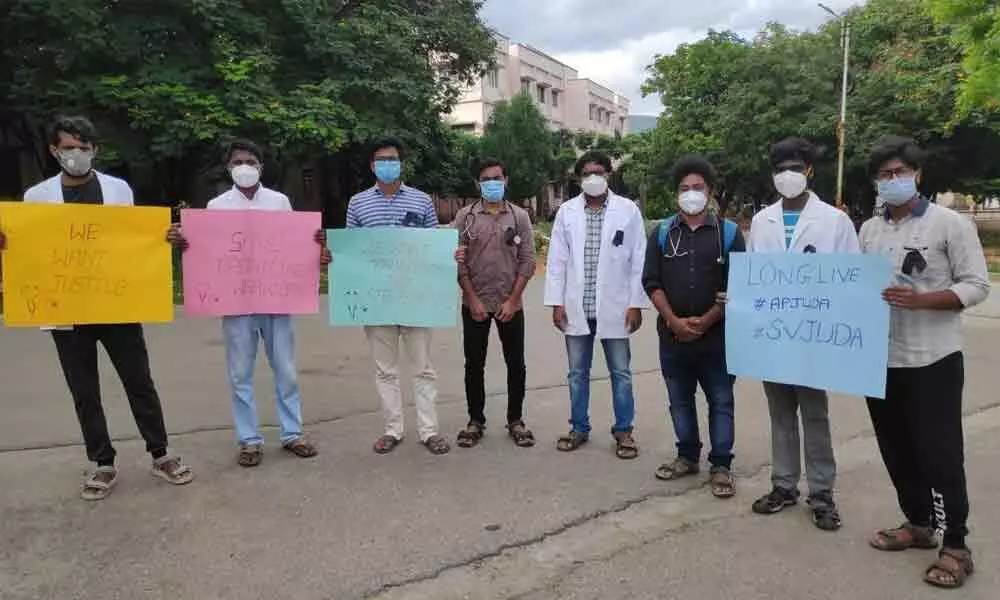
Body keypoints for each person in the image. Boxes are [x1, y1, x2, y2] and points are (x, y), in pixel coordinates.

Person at [1, 116, 194, 500]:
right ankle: (102, 462)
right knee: (83, 388)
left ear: (95, 150)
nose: (76, 154)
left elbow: (134, 241)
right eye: (68, 147)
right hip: (66, 307)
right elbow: (31, 249)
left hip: (116, 302)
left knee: (138, 380)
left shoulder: (118, 190)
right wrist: (10, 244)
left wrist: (164, 237)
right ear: (54, 150)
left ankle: (161, 453)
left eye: (83, 147)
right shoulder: (37, 198)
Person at [859, 136, 989, 589]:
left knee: (939, 453)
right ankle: (917, 524)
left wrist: (924, 300)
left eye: (900, 172)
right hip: (881, 359)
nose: (892, 180)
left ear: (918, 175)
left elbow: (976, 285)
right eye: (884, 174)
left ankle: (956, 543)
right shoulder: (869, 231)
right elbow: (855, 288)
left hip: (933, 359)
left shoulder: (949, 224)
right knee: (895, 448)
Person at [167, 139, 330, 467]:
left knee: (285, 369)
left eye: (251, 161)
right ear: (229, 168)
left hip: (276, 299)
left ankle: (292, 433)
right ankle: (249, 439)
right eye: (238, 161)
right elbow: (204, 251)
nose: (245, 167)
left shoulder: (279, 202)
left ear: (261, 167)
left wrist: (314, 243)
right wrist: (184, 241)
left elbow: (294, 245)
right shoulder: (216, 207)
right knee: (240, 373)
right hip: (236, 302)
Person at [747, 137, 859, 530]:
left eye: (795, 168)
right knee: (780, 413)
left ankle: (822, 493)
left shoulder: (835, 221)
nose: (788, 175)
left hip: (814, 335)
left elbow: (851, 280)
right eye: (780, 169)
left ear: (809, 170)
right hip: (775, 336)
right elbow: (755, 281)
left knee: (814, 414)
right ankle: (784, 484)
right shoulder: (762, 222)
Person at [643, 156, 745, 498]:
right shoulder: (661, 234)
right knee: (679, 401)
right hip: (672, 337)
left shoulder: (728, 234)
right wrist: (673, 320)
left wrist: (708, 319)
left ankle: (721, 465)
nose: (691, 194)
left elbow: (738, 286)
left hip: (717, 339)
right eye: (684, 188)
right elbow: (651, 282)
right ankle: (687, 456)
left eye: (697, 187)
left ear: (710, 192)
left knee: (721, 400)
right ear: (676, 195)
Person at [344, 136, 451, 455]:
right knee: (385, 370)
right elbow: (352, 251)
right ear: (372, 165)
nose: (387, 164)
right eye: (381, 159)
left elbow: (433, 246)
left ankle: (429, 431)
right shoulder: (358, 203)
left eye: (393, 159)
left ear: (401, 164)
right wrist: (335, 258)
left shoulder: (421, 201)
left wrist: (449, 257)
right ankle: (392, 429)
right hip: (377, 299)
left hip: (416, 296)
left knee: (423, 368)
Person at [544, 151, 647, 459]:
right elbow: (557, 261)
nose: (593, 178)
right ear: (579, 178)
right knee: (577, 373)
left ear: (609, 174)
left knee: (621, 372)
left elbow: (638, 260)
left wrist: (635, 304)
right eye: (587, 173)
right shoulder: (566, 212)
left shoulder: (627, 211)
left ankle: (624, 430)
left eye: (598, 172)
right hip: (577, 307)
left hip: (615, 307)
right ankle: (579, 427)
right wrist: (556, 301)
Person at [453, 159, 537, 448]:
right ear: (478, 184)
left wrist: (513, 300)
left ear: (506, 180)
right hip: (474, 303)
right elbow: (458, 262)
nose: (492, 183)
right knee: (474, 365)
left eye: (497, 178)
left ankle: (516, 420)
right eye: (486, 179)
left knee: (516, 364)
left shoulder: (520, 217)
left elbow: (528, 261)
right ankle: (475, 421)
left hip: (510, 304)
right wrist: (472, 298)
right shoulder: (465, 217)